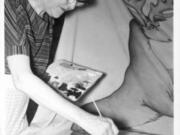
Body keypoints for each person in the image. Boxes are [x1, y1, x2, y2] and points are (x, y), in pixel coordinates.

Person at [4, 0, 119, 135]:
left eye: (78, 3)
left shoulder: (47, 20)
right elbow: (22, 78)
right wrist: (85, 119)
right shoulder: (10, 6)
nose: (71, 6)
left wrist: (63, 77)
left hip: (16, 119)